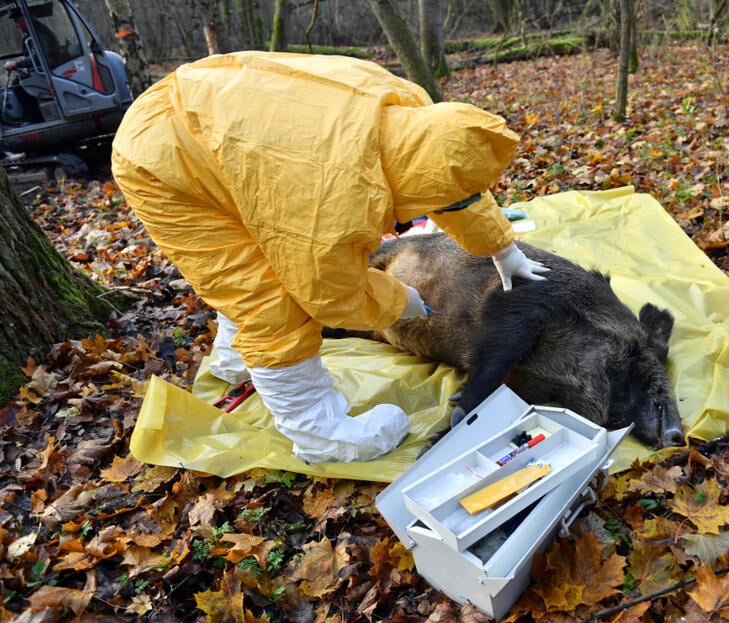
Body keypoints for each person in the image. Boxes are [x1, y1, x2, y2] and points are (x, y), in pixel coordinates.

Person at [111, 52, 549, 464]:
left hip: (214, 113)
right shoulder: (331, 199)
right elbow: (330, 295)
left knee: (263, 262)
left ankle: (234, 361)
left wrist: (501, 247)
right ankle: (319, 433)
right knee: (262, 294)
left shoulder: (414, 114)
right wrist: (399, 300)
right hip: (162, 159)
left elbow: (450, 179)